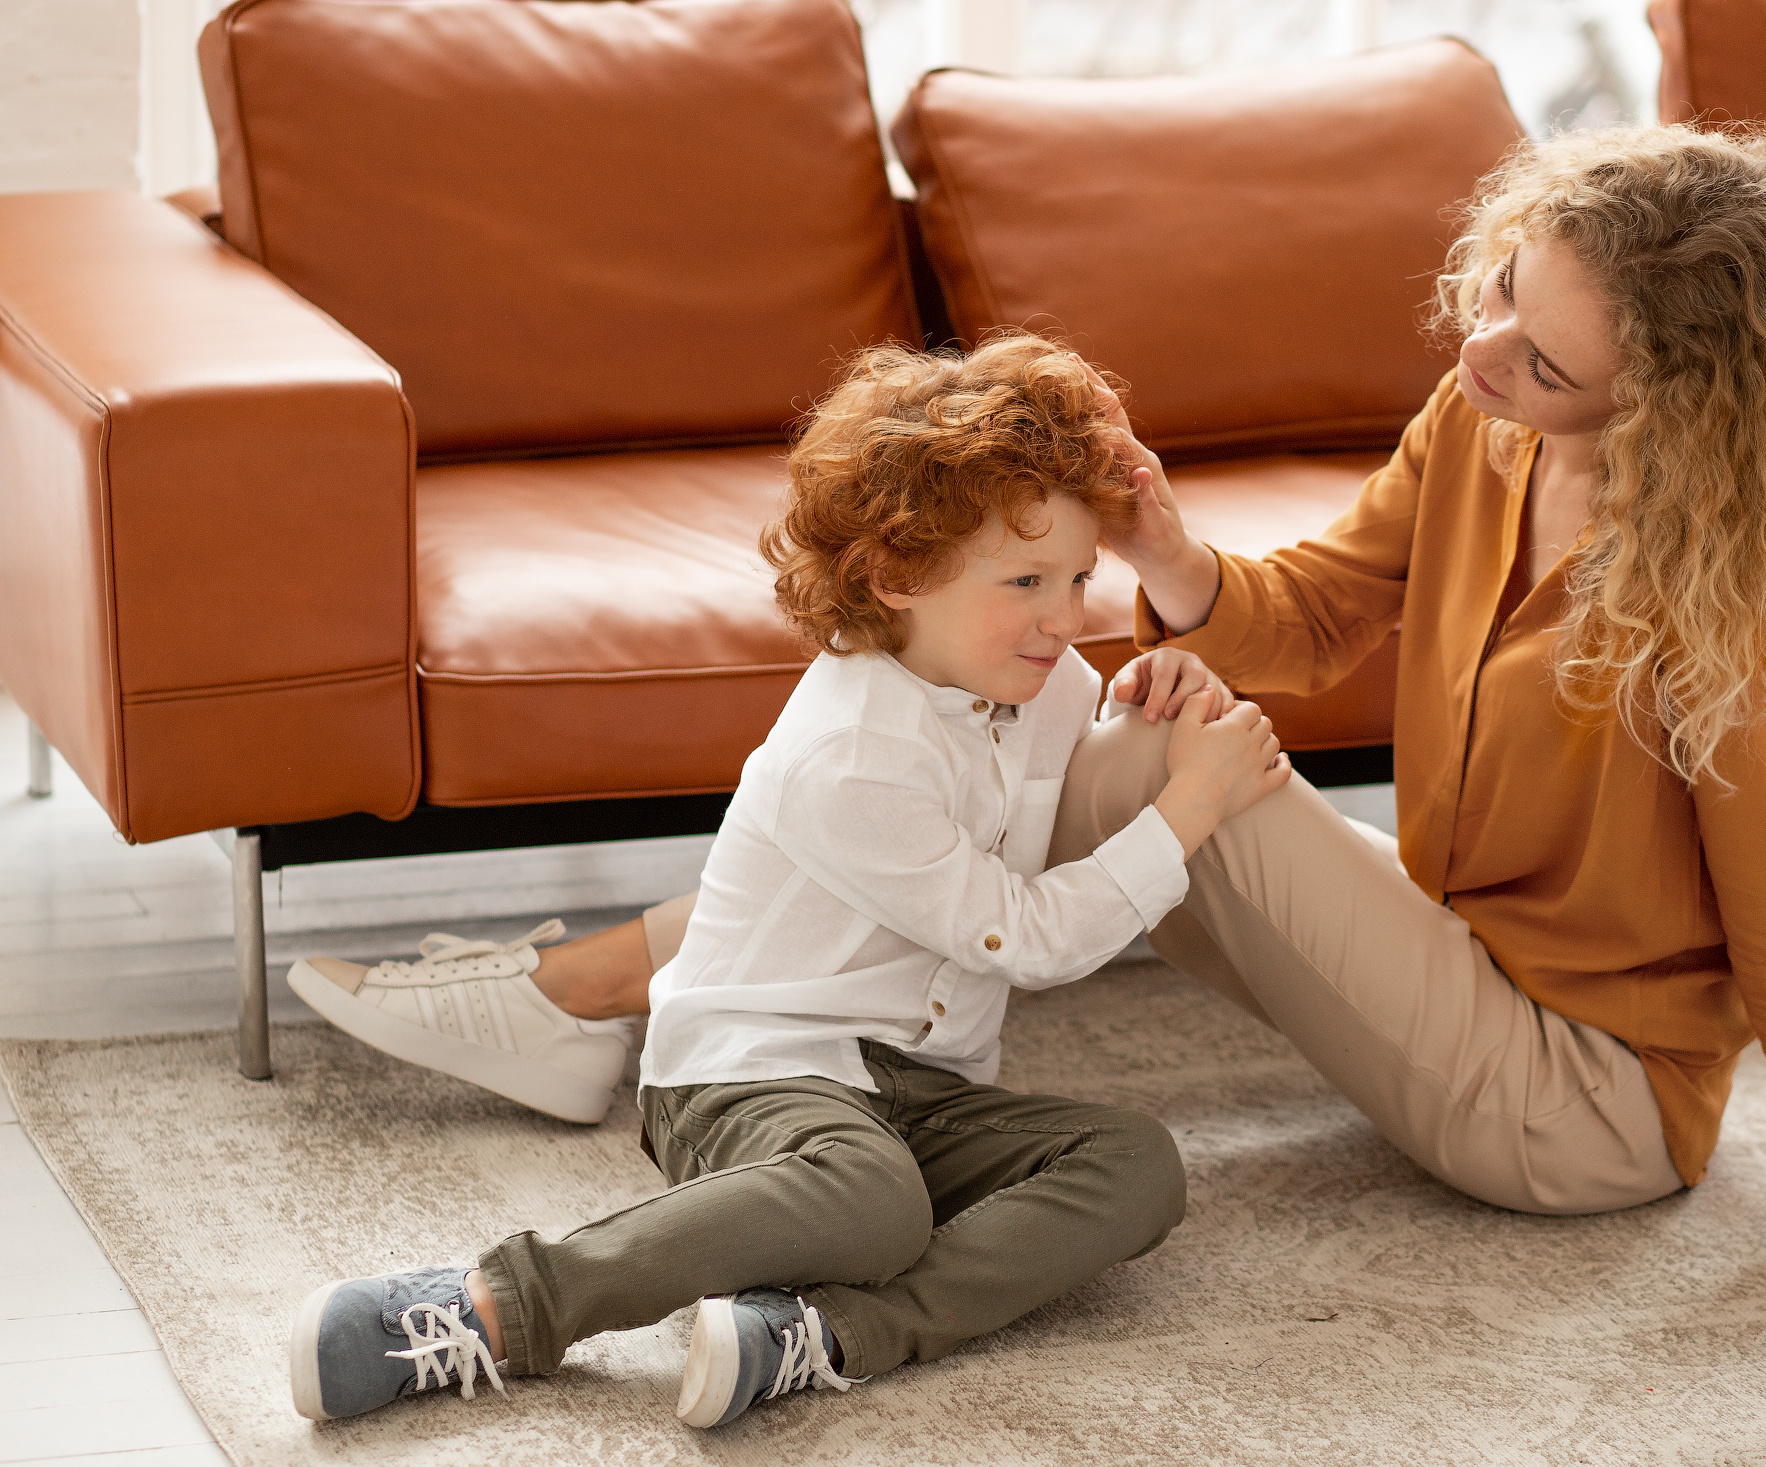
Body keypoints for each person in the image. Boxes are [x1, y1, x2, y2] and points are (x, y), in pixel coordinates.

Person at [296, 123, 1766, 1326]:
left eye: (1542, 355)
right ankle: (613, 998)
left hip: (1582, 1105)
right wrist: (1158, 552)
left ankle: (588, 995)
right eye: (1498, 287)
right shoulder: (1486, 440)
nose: (1482, 353)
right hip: (1457, 952)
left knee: (1136, 762)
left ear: (1673, 398)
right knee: (1110, 742)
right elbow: (1308, 618)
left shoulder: (1707, 615)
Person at [286, 335, 1290, 1425]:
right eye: (1026, 582)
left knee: (1134, 1165)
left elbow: (1073, 758)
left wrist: (1148, 689)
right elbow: (1027, 939)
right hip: (752, 1074)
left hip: (923, 1087)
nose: (1066, 615)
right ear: (894, 575)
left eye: (1081, 578)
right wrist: (1190, 808)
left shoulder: (1036, 677)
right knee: (871, 1203)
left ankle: (829, 1336)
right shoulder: (849, 751)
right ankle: (494, 1304)